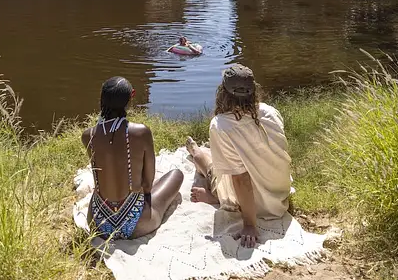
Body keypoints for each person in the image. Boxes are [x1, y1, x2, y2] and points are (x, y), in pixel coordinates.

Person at [185, 64, 293, 248]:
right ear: (253, 91)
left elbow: (241, 179)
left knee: (204, 159)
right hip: (279, 198)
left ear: (223, 93)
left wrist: (250, 225)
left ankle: (193, 150)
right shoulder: (271, 112)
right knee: (223, 159)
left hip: (257, 206)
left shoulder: (220, 125)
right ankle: (213, 184)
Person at [82, 77, 183, 240]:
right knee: (177, 174)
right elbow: (148, 184)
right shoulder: (141, 132)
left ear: (102, 98)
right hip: (136, 223)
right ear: (131, 97)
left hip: (98, 222)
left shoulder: (88, 135)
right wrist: (145, 200)